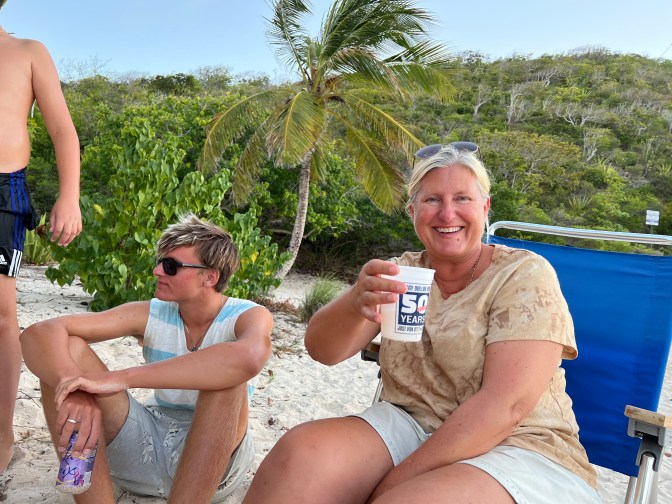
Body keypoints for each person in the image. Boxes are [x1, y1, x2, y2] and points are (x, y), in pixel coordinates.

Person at [243, 143, 602, 503]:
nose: (447, 213)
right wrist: (355, 301)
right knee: (300, 457)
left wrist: (391, 484)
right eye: (432, 200)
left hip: (518, 442)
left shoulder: (522, 275)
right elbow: (323, 351)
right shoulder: (401, 272)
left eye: (462, 198)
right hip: (409, 422)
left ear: (485, 208)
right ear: (413, 211)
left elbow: (506, 407)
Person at [21, 214, 273, 503]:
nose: (157, 271)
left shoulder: (248, 315)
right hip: (146, 448)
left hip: (216, 468)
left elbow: (248, 358)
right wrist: (73, 386)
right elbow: (39, 333)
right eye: (159, 262)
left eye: (171, 266)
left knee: (227, 379)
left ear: (210, 277)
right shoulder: (153, 313)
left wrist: (119, 379)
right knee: (64, 351)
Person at [0, 1, 82, 474]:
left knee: (1, 317)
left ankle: (2, 433)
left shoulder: (28, 51)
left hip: (3, 193)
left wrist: (68, 197)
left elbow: (62, 130)